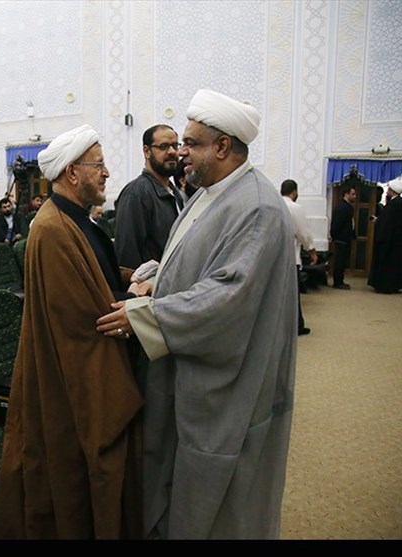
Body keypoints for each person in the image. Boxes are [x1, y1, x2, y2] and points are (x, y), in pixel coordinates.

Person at [97, 90, 296, 539]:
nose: (181, 152)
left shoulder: (257, 206)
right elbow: (196, 257)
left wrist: (144, 317)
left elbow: (227, 296)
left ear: (222, 147)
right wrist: (158, 275)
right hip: (190, 370)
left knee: (221, 495)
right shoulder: (210, 194)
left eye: (190, 143)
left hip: (231, 382)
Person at [0, 124, 143, 540]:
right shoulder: (51, 229)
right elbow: (86, 318)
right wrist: (134, 298)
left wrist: (131, 277)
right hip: (78, 380)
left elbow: (95, 275)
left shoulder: (77, 220)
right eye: (99, 165)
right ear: (72, 172)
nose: (106, 172)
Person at [114, 124, 185, 269]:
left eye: (174, 146)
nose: (172, 152)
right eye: (164, 146)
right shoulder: (136, 194)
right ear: (147, 151)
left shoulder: (174, 192)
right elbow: (127, 255)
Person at [281, 179, 318, 334]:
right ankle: (297, 326)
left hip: (274, 257)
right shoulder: (295, 208)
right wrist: (312, 252)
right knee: (292, 295)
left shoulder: (274, 204)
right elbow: (304, 233)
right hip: (291, 259)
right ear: (294, 192)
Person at [367, 179, 402, 294]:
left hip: (388, 242)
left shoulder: (393, 204)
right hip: (400, 242)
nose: (387, 192)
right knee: (397, 265)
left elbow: (387, 223)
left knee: (387, 265)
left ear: (392, 191)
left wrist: (378, 222)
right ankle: (395, 285)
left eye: (389, 190)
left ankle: (385, 286)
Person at [330, 185, 357, 289]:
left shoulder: (347, 206)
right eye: (353, 194)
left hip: (345, 238)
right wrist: (334, 236)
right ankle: (338, 282)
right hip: (341, 239)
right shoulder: (342, 207)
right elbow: (337, 224)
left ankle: (340, 280)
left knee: (343, 261)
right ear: (346, 194)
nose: (355, 196)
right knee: (340, 261)